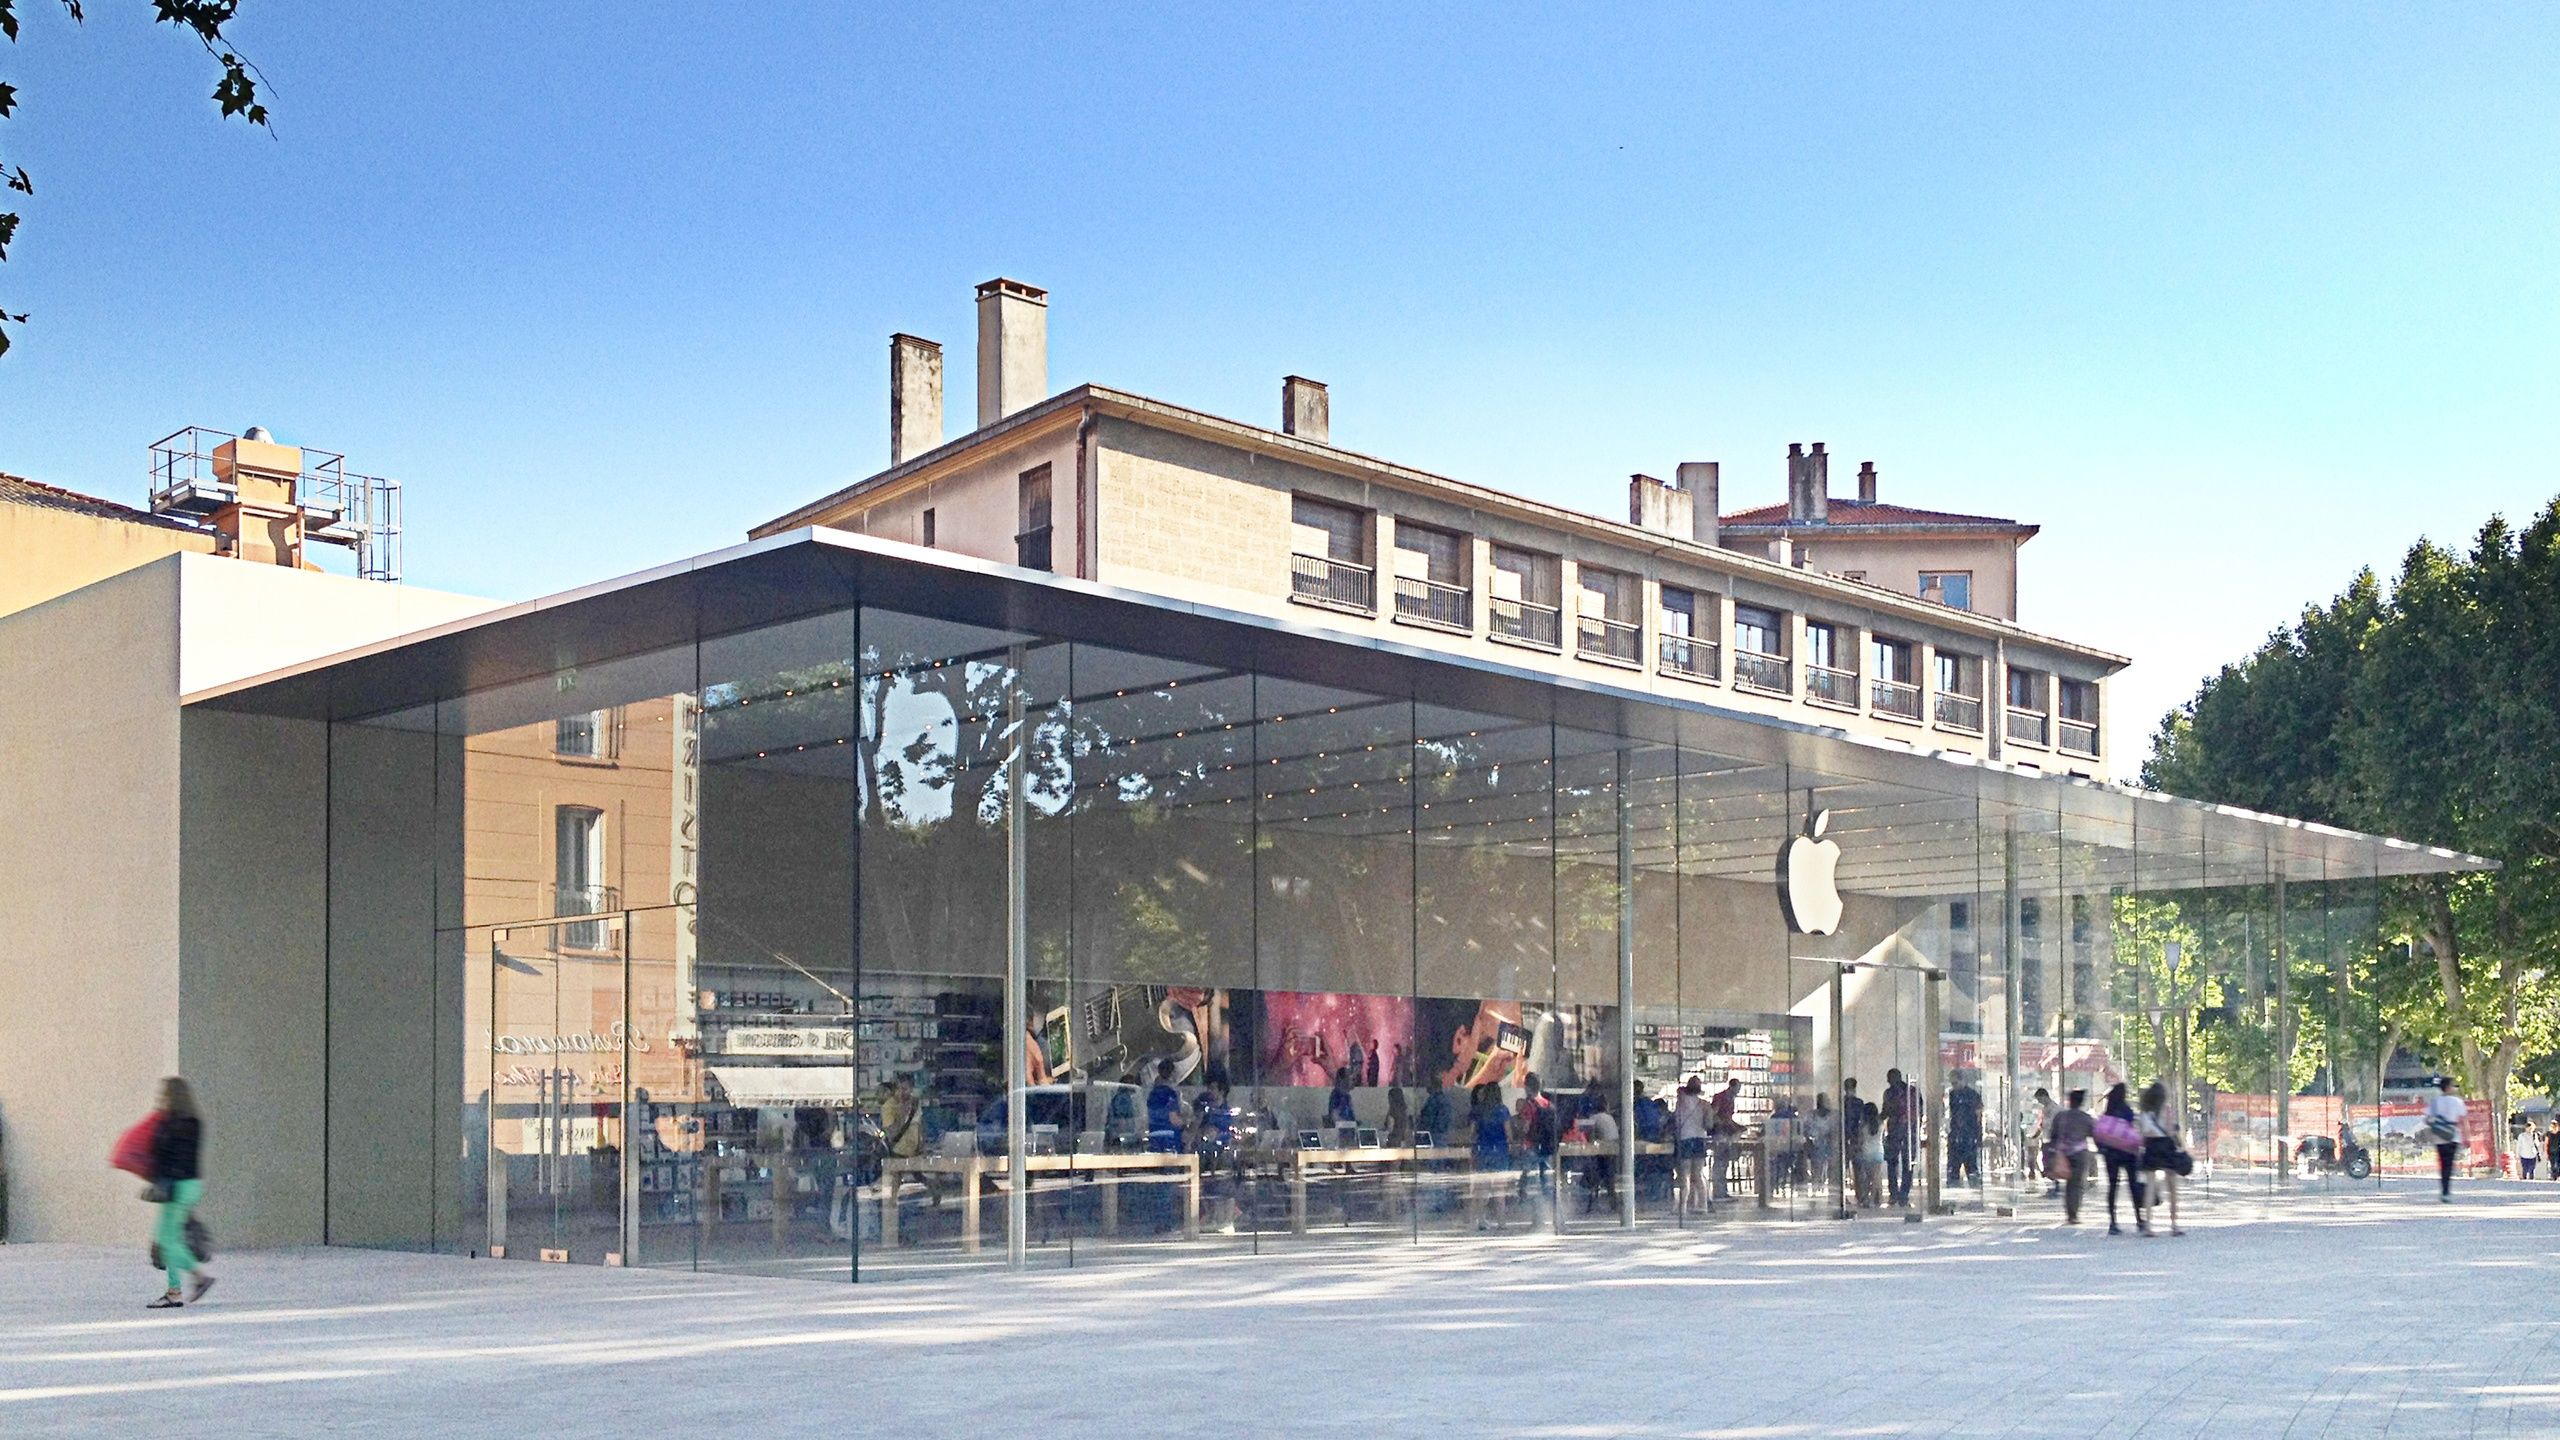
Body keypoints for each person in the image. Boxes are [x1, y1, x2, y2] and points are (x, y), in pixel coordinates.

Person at [144, 1077, 210, 1309]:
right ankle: (174, 1290)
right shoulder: (195, 1122)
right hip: (192, 1184)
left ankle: (197, 1278)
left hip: (175, 1186)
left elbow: (159, 1152)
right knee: (168, 1239)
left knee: (167, 1242)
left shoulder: (170, 1123)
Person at [2135, 1081, 2183, 1237]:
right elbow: (2170, 1131)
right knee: (2172, 1187)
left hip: (2150, 1147)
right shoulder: (2167, 1111)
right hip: (2166, 1146)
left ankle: (2148, 1225)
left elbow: (2142, 1133)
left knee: (2150, 1186)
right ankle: (2174, 1224)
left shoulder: (2144, 1113)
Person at [2100, 1082, 2146, 1236]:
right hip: (2127, 1153)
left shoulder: (2108, 1112)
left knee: (2113, 1187)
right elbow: (2132, 1127)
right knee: (2133, 1185)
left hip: (2111, 1154)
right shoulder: (2126, 1110)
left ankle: (2113, 1222)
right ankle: (2139, 1219)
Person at [1468, 1084, 1513, 1231]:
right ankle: (1501, 1223)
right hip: (1499, 1151)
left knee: (1482, 1190)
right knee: (1499, 1190)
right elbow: (1508, 1134)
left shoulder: (1478, 1110)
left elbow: (1472, 1133)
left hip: (1483, 1151)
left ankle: (1479, 1220)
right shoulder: (1503, 1110)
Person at [2049, 1089, 2096, 1225]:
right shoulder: (2086, 1118)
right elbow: (2094, 1134)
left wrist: (2053, 1152)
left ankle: (2070, 1212)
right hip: (2080, 1154)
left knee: (2069, 1185)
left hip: (2062, 1154)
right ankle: (2073, 1214)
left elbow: (2053, 1135)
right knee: (2077, 1184)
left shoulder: (2060, 1116)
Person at [1880, 1069, 1919, 1208]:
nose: (1889, 1082)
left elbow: (1918, 1111)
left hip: (1905, 1131)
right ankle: (1898, 1194)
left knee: (1903, 1163)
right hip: (1900, 1131)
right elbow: (1886, 1111)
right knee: (1897, 1163)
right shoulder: (1894, 1093)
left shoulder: (1908, 1092)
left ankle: (1900, 1194)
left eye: (1890, 1079)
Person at [1673, 1078, 1712, 1216]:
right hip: (1700, 1138)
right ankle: (1703, 1204)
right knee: (1698, 1174)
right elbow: (1709, 1125)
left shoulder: (1681, 1102)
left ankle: (1682, 1207)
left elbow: (1676, 1121)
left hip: (1685, 1138)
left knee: (1685, 1174)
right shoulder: (1704, 1104)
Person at [2424, 1076, 2467, 1202]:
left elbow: (2427, 1119)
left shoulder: (2435, 1101)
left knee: (2443, 1163)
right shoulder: (2457, 1102)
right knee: (2449, 1163)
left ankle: (2444, 1190)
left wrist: (2437, 1124)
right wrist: (2467, 1137)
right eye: (2453, 1085)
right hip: (2453, 1134)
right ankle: (2446, 1191)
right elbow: (2463, 1120)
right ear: (2448, 1087)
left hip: (2439, 1136)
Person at [1581, 1099, 1622, 1215]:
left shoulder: (1594, 1118)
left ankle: (1591, 1200)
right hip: (1612, 1151)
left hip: (1602, 1152)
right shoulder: (1609, 1117)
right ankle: (1613, 1202)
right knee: (1610, 1179)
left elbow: (1589, 1135)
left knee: (1593, 1175)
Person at [1946, 1077, 1983, 1188]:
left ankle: (1974, 1185)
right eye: (1953, 1083)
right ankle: (1953, 1185)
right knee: (1954, 1164)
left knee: (1971, 1163)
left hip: (1969, 1133)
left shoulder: (1972, 1094)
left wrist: (1978, 1133)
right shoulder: (1952, 1094)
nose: (1954, 1085)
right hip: (1956, 1133)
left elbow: (1979, 1114)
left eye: (1956, 1082)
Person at [1146, 1060, 1187, 1153]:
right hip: (1169, 1137)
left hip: (1153, 1134)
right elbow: (1173, 1119)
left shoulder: (1152, 1093)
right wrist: (1186, 1122)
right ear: (1172, 1074)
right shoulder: (1170, 1094)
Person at [2030, 1087, 2061, 1197]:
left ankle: (2054, 1187)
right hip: (2047, 1139)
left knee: (2051, 1163)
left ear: (2044, 1096)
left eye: (2039, 1099)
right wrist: (2036, 1135)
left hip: (2054, 1140)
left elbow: (2053, 1124)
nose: (2039, 1102)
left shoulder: (2055, 1109)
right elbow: (2043, 1125)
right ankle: (2053, 1186)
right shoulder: (2045, 1109)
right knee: (2046, 1162)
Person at [1417, 1077, 1452, 1143]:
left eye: (1428, 1085)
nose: (1426, 1087)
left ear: (1433, 1086)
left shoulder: (1433, 1100)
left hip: (1433, 1135)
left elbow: (1428, 1118)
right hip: (1443, 1135)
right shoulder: (1445, 1100)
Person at [1326, 1067, 1358, 1133]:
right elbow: (1334, 1118)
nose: (1354, 1082)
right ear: (1342, 1080)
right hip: (1341, 1135)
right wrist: (1350, 1125)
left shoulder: (1347, 1097)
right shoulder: (1337, 1096)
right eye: (1351, 1079)